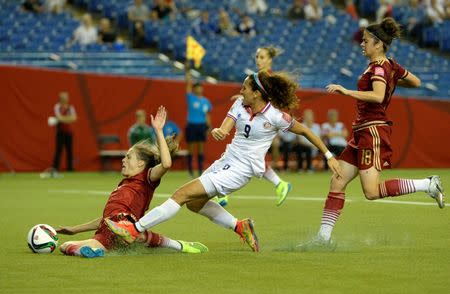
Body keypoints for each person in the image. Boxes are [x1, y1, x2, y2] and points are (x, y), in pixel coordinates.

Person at [105, 70, 342, 253]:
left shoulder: (277, 117)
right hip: (225, 160)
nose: (242, 91)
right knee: (193, 204)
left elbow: (307, 132)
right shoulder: (240, 103)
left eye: (245, 88)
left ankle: (134, 229)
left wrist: (329, 155)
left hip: (241, 170)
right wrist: (219, 131)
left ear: (257, 93)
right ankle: (241, 226)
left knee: (180, 194)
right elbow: (226, 127)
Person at [311, 17, 444, 245]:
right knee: (337, 181)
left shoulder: (380, 67)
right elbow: (416, 82)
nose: (361, 45)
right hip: (361, 132)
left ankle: (427, 184)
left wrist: (346, 91)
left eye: (365, 41)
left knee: (371, 192)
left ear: (378, 43)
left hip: (373, 131)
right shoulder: (389, 65)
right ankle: (323, 239)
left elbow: (378, 96)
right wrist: (393, 79)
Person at [56, 106, 208, 258]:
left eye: (128, 157)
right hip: (107, 233)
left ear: (141, 163)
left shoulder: (146, 178)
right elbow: (106, 221)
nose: (123, 159)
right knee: (65, 246)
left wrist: (159, 131)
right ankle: (96, 251)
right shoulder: (122, 186)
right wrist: (74, 229)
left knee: (132, 232)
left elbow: (166, 164)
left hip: (128, 228)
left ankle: (180, 245)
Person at [217, 46, 292, 207]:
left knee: (246, 157)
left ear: (270, 60)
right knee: (253, 159)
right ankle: (280, 184)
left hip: (265, 123)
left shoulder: (268, 78)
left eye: (262, 57)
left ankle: (223, 192)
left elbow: (268, 101)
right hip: (259, 121)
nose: (259, 60)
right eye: (257, 56)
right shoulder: (258, 77)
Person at [184, 66, 212, 177]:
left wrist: (209, 127)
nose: (199, 89)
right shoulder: (191, 97)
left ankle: (200, 170)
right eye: (197, 88)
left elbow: (207, 115)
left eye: (200, 87)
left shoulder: (206, 101)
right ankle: (190, 171)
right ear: (194, 89)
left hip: (202, 126)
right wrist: (188, 72)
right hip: (191, 125)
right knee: (190, 149)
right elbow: (188, 85)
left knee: (200, 149)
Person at [52, 92, 76, 173]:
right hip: (60, 132)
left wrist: (63, 119)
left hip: (69, 132)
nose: (65, 99)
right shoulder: (57, 107)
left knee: (70, 151)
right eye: (63, 97)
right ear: (60, 98)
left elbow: (74, 118)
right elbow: (58, 117)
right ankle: (55, 168)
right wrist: (68, 119)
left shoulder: (70, 107)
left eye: (66, 97)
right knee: (58, 150)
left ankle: (70, 168)